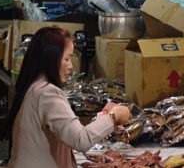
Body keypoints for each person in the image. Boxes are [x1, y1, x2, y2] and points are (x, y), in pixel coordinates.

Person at [7, 26, 131, 167]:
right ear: (51, 59)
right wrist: (113, 116)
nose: (71, 66)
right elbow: (80, 140)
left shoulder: (34, 86)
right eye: (67, 59)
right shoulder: (47, 93)